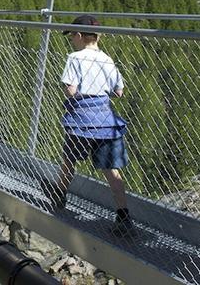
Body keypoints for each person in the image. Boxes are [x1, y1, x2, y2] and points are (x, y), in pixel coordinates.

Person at [41, 14, 133, 237]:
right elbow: (119, 91)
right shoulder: (108, 60)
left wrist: (73, 91)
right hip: (104, 118)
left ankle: (60, 193)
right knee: (111, 169)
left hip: (81, 119)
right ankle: (123, 215)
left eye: (73, 35)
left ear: (81, 36)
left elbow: (71, 89)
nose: (72, 39)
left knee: (69, 159)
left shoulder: (75, 57)